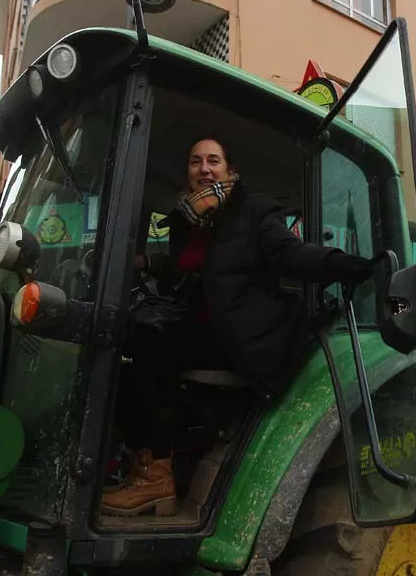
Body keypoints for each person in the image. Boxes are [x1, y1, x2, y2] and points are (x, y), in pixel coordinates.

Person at [102, 136, 376, 517]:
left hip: (243, 332)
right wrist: (146, 264)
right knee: (124, 344)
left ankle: (156, 478)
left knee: (144, 348)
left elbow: (288, 253)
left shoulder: (254, 209)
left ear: (229, 170)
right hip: (202, 324)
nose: (204, 168)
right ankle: (147, 463)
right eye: (195, 161)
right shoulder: (187, 220)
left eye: (213, 160)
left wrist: (350, 265)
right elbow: (192, 266)